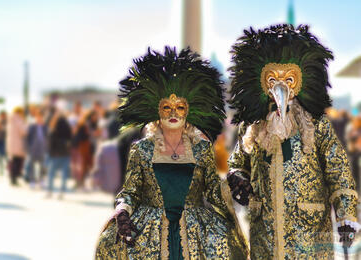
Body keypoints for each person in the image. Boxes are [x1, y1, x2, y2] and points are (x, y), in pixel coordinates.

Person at [95, 47, 248, 259]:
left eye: (180, 107)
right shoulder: (142, 149)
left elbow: (213, 190)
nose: (174, 113)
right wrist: (122, 210)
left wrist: (231, 182)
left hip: (196, 232)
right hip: (151, 233)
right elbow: (130, 192)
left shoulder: (201, 149)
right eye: (167, 107)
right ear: (157, 110)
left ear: (189, 111)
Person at [227, 24, 358, 259]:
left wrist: (346, 214)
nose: (280, 86)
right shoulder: (252, 126)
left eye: (288, 78)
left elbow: (338, 170)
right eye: (272, 79)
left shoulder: (316, 125)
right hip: (265, 235)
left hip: (308, 235)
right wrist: (238, 177)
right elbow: (237, 161)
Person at [46, 113, 72, 199]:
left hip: (55, 155)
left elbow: (50, 145)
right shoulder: (68, 130)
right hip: (65, 154)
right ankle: (62, 192)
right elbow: (70, 142)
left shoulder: (53, 131)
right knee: (64, 175)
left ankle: (49, 191)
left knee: (51, 174)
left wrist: (50, 154)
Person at [25, 110, 47, 187]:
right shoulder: (32, 126)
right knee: (32, 165)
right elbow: (28, 138)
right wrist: (28, 148)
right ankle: (32, 180)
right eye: (38, 117)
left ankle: (41, 180)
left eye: (41, 117)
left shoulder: (45, 127)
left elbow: (47, 137)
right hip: (33, 148)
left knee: (42, 165)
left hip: (42, 148)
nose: (39, 119)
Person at [6, 107, 27, 186]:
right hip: (18, 144)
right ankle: (14, 179)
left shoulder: (10, 120)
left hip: (11, 144)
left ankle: (12, 178)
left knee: (13, 161)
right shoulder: (18, 120)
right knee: (17, 162)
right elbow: (24, 131)